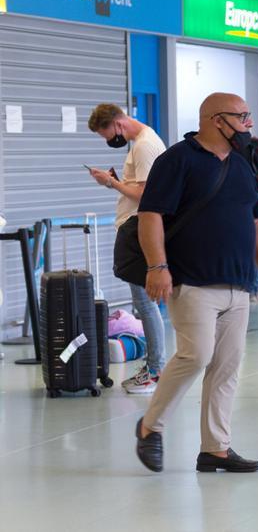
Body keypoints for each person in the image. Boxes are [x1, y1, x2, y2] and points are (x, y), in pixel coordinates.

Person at [134, 93, 258, 474]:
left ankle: (215, 448)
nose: (249, 123)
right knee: (196, 355)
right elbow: (150, 216)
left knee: (226, 368)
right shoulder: (177, 160)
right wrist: (157, 266)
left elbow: (256, 224)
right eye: (242, 116)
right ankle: (151, 427)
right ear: (217, 120)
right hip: (192, 281)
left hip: (239, 283)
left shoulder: (243, 165)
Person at [86, 104, 168, 394]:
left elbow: (146, 194)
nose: (108, 140)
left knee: (145, 303)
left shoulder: (145, 146)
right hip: (135, 225)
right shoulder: (142, 143)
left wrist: (111, 183)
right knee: (145, 302)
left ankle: (156, 369)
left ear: (119, 124)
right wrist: (116, 184)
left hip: (137, 228)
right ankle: (155, 366)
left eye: (107, 134)